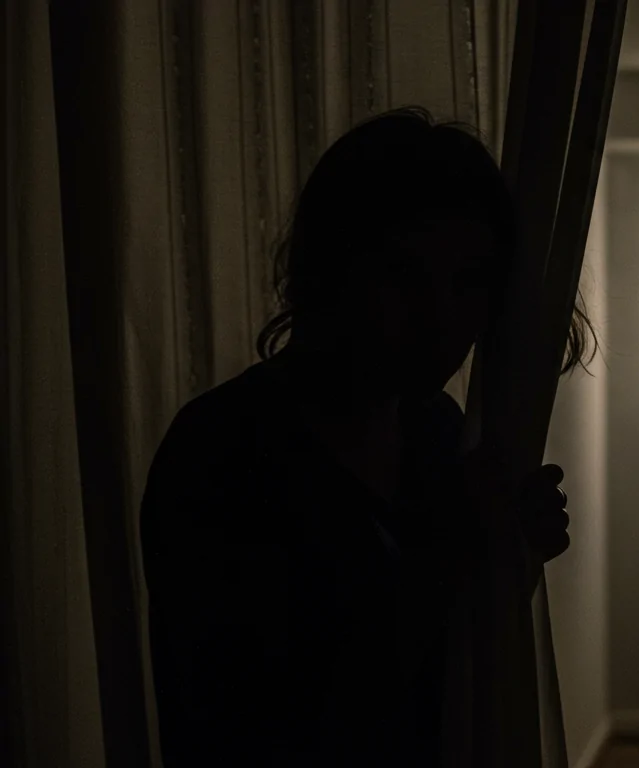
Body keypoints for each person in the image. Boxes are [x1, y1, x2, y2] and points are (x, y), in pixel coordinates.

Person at [140, 107, 592, 766]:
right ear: (332, 271)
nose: (440, 319)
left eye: (468, 283)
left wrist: (508, 558)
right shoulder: (225, 448)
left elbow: (439, 664)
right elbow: (267, 719)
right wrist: (454, 548)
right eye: (403, 277)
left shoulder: (436, 430)